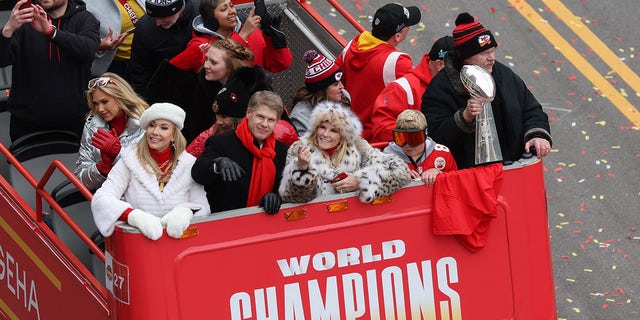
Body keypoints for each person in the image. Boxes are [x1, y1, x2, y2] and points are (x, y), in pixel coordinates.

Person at [421, 12, 552, 169]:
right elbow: (435, 137)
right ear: (466, 57)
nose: (492, 58)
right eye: (484, 53)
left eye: (492, 50)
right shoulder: (440, 88)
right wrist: (464, 117)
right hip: (467, 179)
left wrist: (537, 134)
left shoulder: (504, 75)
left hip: (512, 170)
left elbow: (531, 109)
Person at [91, 102, 210, 240]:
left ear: (173, 135)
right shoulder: (129, 159)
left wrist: (185, 212)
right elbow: (102, 198)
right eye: (151, 125)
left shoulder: (189, 164)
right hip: (139, 244)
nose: (155, 132)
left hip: (180, 246)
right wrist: (134, 217)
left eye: (164, 128)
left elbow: (202, 207)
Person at [0, 0, 100, 141]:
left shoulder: (85, 19)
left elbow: (88, 50)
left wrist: (51, 32)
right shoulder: (24, 21)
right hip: (26, 123)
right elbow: (3, 60)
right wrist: (8, 28)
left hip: (74, 122)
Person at [279, 101, 412, 204]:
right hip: (317, 224)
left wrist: (360, 181)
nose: (325, 134)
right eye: (322, 127)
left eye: (334, 131)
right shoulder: (300, 148)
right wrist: (302, 169)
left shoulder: (359, 147)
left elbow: (401, 172)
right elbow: (294, 197)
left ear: (343, 135)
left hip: (355, 223)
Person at [191, 91, 288, 215]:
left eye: (270, 120)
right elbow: (197, 173)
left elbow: (287, 190)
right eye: (260, 117)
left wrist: (276, 198)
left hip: (266, 225)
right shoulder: (220, 143)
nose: (264, 124)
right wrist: (217, 164)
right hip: (225, 225)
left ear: (277, 121)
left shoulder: (281, 151)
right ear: (248, 113)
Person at [336, 3, 420, 140]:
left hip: (344, 127)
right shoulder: (398, 63)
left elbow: (336, 79)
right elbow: (422, 87)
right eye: (407, 26)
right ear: (397, 36)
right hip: (372, 140)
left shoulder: (353, 45)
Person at [146, 38, 253, 143]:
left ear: (231, 66)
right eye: (206, 59)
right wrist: (179, 62)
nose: (206, 65)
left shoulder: (249, 93)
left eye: (213, 62)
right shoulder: (194, 86)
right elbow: (155, 97)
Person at [370, 36, 454, 143]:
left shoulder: (455, 86)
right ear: (440, 65)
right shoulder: (402, 88)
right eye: (457, 65)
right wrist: (417, 140)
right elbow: (381, 127)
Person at [169, 0, 292, 74]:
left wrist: (275, 40)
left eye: (231, 6)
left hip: (255, 102)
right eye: (224, 9)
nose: (232, 11)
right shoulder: (199, 45)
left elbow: (279, 65)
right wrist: (241, 37)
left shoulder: (252, 33)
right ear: (210, 19)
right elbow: (216, 73)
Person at [75, 73, 148, 191]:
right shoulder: (92, 125)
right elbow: (80, 178)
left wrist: (118, 153)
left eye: (105, 102)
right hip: (105, 195)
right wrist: (103, 167)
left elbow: (150, 175)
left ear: (120, 97)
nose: (100, 109)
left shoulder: (147, 124)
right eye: (95, 103)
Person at [185, 65, 270, 157]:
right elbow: (186, 162)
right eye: (217, 115)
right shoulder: (210, 134)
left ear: (239, 117)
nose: (218, 121)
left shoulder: (260, 136)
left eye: (224, 117)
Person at [129, 0, 196, 95]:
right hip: (164, 93)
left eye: (163, 17)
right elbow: (140, 72)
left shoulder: (201, 13)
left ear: (179, 9)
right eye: (154, 17)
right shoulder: (145, 29)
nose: (158, 23)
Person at [383, 109, 457, 187]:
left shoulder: (442, 153)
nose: (407, 145)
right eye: (401, 138)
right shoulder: (387, 157)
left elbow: (456, 182)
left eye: (414, 139)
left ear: (425, 135)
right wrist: (394, 176)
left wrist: (439, 173)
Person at [289, 49, 348, 137]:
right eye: (336, 84)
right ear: (321, 89)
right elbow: (307, 148)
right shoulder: (301, 116)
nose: (342, 87)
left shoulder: (344, 97)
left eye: (340, 81)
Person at [86, 0, 146, 78]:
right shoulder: (88, 4)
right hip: (116, 65)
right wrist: (100, 44)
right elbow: (80, 35)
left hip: (146, 58)